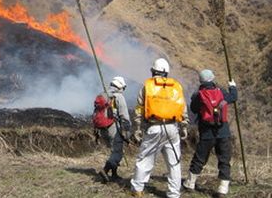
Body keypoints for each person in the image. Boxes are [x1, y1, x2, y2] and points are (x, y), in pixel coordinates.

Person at [131, 58, 188, 198]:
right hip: (172, 128)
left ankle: (137, 189)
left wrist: (137, 128)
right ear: (166, 72)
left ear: (153, 71)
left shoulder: (148, 86)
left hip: (154, 127)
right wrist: (184, 126)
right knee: (174, 162)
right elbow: (182, 107)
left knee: (145, 158)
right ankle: (174, 193)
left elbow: (139, 109)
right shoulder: (176, 87)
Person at [183, 69, 237, 196]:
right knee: (224, 159)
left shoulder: (198, 94)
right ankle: (223, 188)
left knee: (200, 158)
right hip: (223, 132)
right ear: (212, 79)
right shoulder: (221, 92)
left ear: (200, 81)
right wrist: (233, 87)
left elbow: (194, 109)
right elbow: (234, 97)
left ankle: (190, 183)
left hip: (207, 133)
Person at [97, 76, 131, 183]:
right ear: (120, 86)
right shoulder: (118, 97)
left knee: (114, 150)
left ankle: (114, 174)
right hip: (113, 127)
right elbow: (124, 116)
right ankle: (105, 170)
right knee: (117, 152)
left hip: (102, 128)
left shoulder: (103, 94)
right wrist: (127, 132)